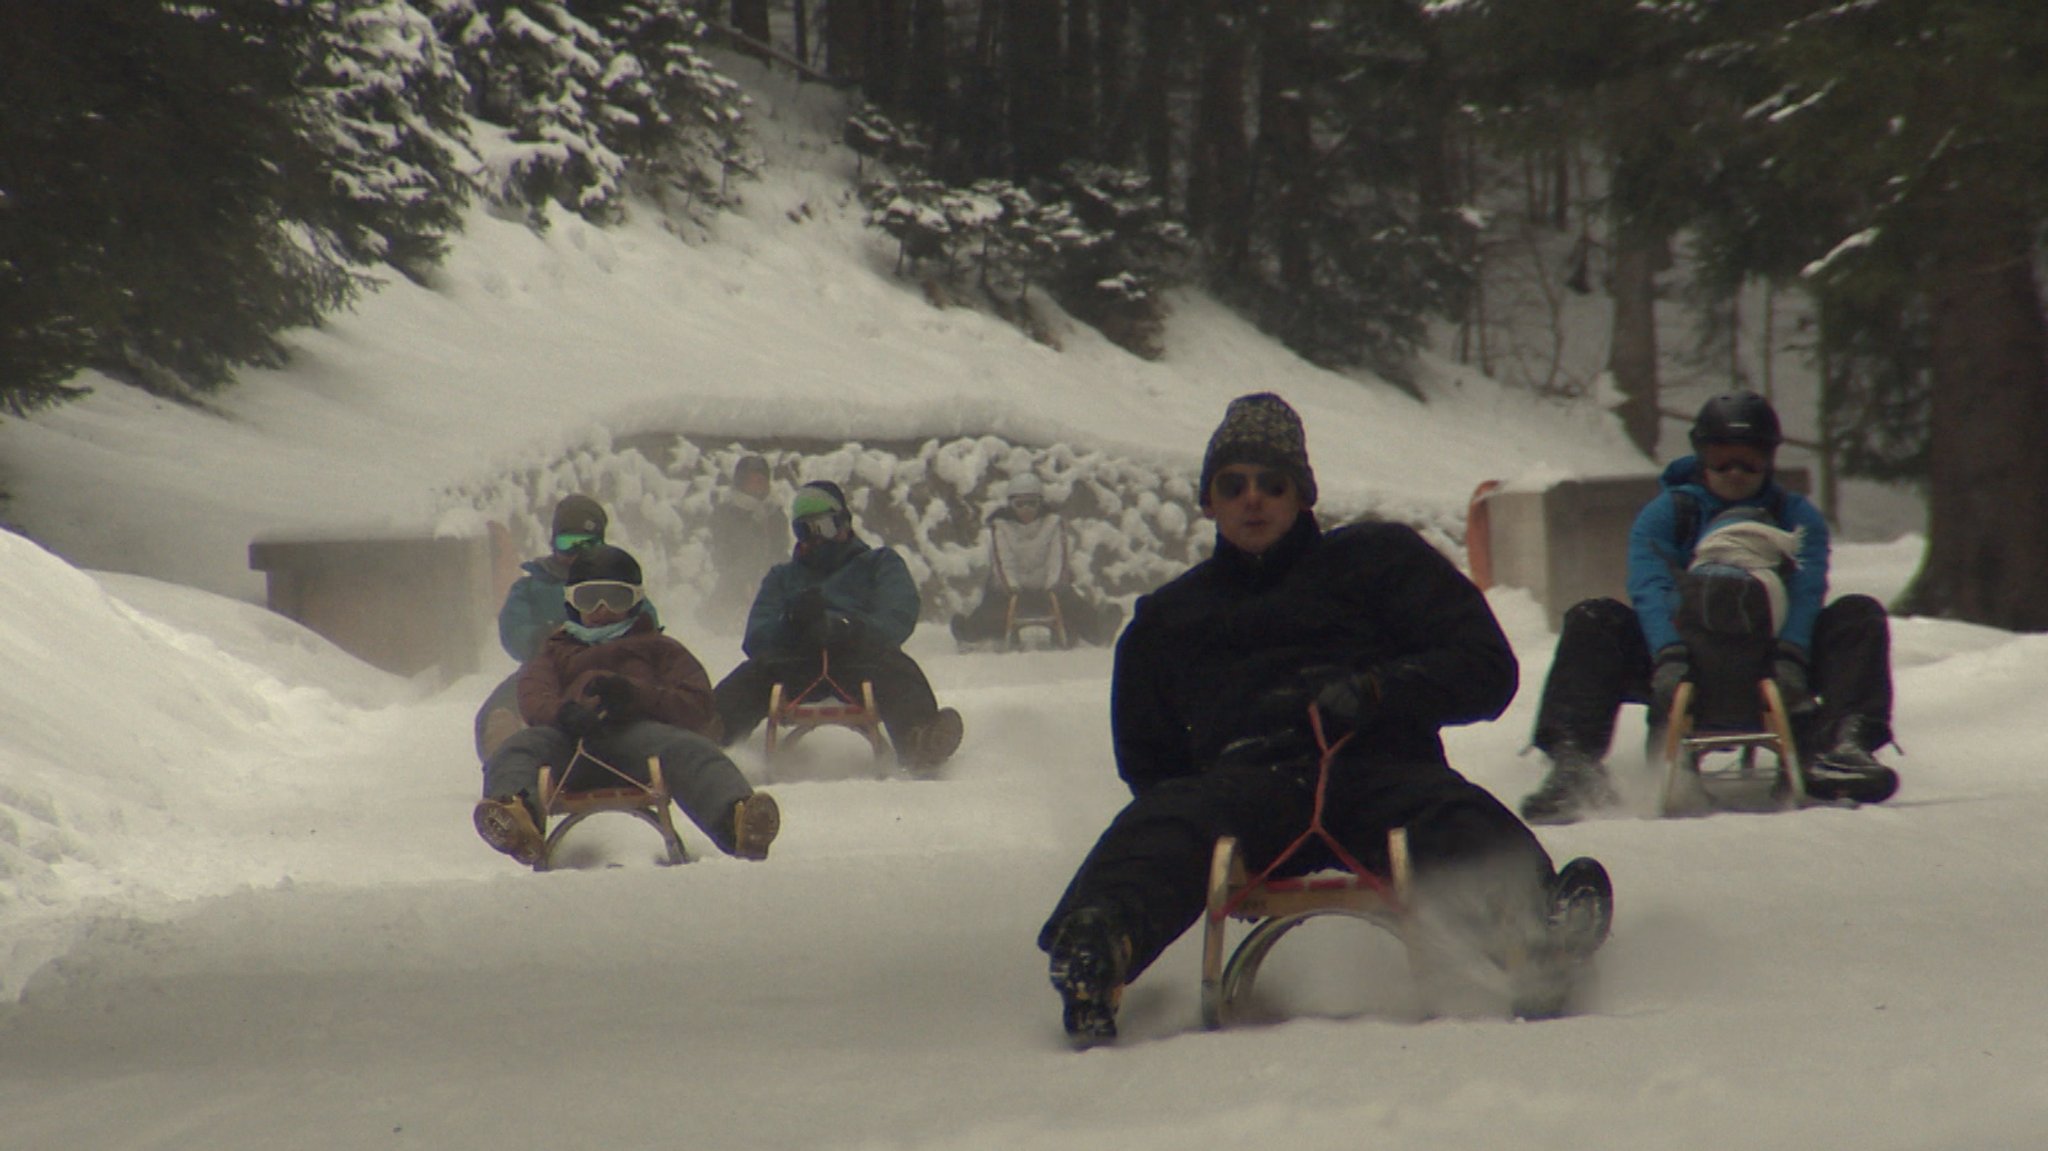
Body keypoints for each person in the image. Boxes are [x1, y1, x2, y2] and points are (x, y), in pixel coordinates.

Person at [1038, 392, 1589, 1047]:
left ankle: (1541, 926)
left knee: (1447, 809)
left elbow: (1486, 669)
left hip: (1379, 767)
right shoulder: (1170, 618)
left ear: (1304, 495)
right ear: (1207, 500)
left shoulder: (1378, 563)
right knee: (1169, 819)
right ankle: (1098, 946)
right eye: (1233, 483)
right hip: (1245, 788)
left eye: (1274, 483)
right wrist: (1201, 805)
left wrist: (1381, 690)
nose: (1254, 499)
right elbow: (1148, 757)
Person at [1518, 390, 1899, 825]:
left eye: (1748, 461)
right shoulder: (1666, 514)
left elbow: (1806, 592)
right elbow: (1650, 587)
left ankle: (1845, 747)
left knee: (1858, 615)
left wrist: (1792, 653)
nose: (1735, 472)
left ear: (1768, 460)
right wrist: (1668, 654)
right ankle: (1573, 762)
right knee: (1594, 619)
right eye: (1722, 459)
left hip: (1772, 653)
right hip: (1681, 654)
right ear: (1702, 457)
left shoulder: (1797, 518)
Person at [473, 544, 780, 865]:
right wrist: (563, 713)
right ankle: (515, 816)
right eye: (589, 599)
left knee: (690, 749)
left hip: (638, 738)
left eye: (615, 598)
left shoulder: (658, 648)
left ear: (635, 600)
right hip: (568, 741)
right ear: (572, 603)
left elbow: (697, 702)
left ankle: (738, 818)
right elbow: (534, 695)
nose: (602, 609)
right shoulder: (555, 652)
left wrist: (636, 696)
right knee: (518, 748)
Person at [713, 480, 965, 768]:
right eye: (805, 530)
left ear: (844, 522)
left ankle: (920, 738)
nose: (816, 538)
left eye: (824, 526)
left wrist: (852, 628)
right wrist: (791, 624)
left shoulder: (878, 563)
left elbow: (899, 612)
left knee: (896, 668)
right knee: (754, 674)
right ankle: (709, 734)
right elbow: (756, 637)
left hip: (859, 657)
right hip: (796, 660)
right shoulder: (783, 577)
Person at [473, 494, 660, 760]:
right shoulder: (532, 587)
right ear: (554, 543)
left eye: (588, 545)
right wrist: (542, 637)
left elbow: (648, 620)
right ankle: (507, 767)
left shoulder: (617, 584)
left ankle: (650, 752)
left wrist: (619, 636)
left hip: (610, 666)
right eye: (568, 543)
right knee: (500, 709)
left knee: (647, 693)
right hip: (548, 668)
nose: (577, 554)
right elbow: (513, 630)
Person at [949, 473, 1122, 649]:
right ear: (1011, 504)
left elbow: (1057, 558)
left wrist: (1053, 586)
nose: (1026, 510)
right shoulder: (1001, 526)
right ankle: (968, 634)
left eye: (1032, 503)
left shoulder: (1053, 524)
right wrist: (1012, 588)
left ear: (1040, 504)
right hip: (1008, 590)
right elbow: (1003, 560)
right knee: (990, 611)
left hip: (1048, 588)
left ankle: (1099, 630)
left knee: (1072, 605)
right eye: (1020, 504)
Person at [701, 455, 789, 628]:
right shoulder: (725, 512)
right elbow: (721, 552)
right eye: (752, 480)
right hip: (734, 583)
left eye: (761, 480)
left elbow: (781, 550)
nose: (757, 485)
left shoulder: (775, 513)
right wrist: (741, 573)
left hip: (770, 582)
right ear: (741, 483)